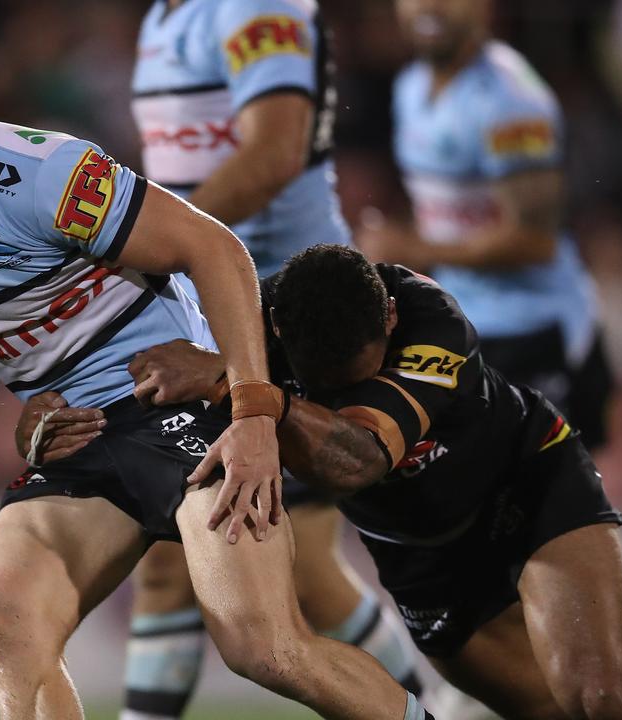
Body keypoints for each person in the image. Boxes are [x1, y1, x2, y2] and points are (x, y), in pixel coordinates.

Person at [0, 8, 430, 720]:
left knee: (264, 647)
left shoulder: (32, 175)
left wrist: (253, 412)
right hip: (79, 440)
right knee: (9, 628)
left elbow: (215, 249)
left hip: (179, 406)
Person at [54, 243, 622, 719]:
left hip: (526, 486)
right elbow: (131, 379)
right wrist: (49, 411)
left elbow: (359, 459)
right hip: (419, 557)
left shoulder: (428, 318)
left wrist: (240, 388)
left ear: (387, 319)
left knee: (606, 695)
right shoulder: (256, 330)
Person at [119, 1, 423, 716]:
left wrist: (154, 248)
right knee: (173, 561)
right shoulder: (167, 16)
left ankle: (426, 705)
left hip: (281, 314)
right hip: (212, 311)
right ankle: (430, 704)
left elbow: (275, 150)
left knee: (295, 569)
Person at [360, 0, 612, 450]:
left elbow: (536, 240)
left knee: (549, 507)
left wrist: (417, 249)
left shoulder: (511, 102)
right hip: (465, 327)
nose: (430, 6)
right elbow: (444, 212)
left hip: (535, 331)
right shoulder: (411, 86)